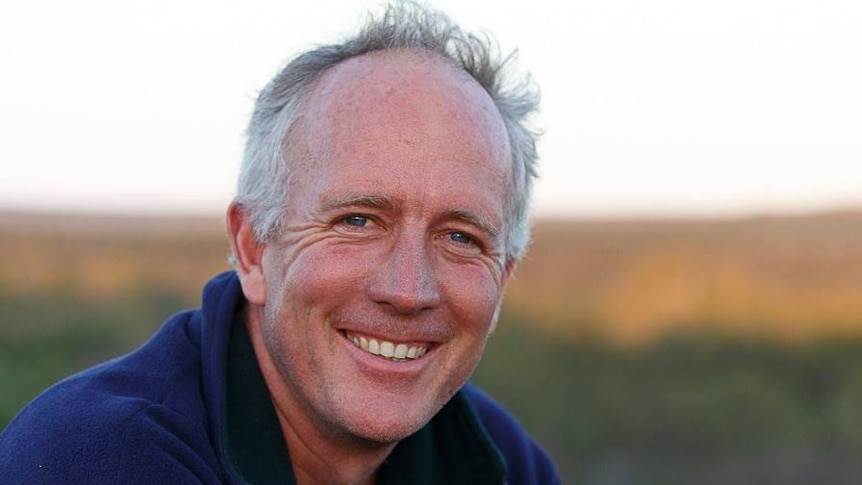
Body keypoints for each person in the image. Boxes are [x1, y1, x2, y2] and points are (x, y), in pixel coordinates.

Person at [0, 2, 559, 483]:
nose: (409, 290)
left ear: (503, 277)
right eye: (358, 221)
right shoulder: (101, 458)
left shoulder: (500, 460)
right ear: (252, 249)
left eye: (461, 237)